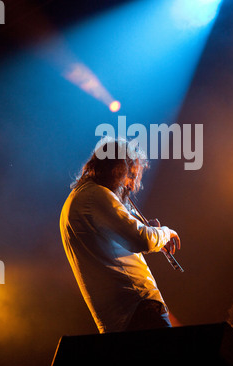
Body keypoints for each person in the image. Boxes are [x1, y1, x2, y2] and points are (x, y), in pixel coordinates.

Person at [59, 138, 181, 334]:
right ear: (117, 168)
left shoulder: (77, 199)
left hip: (118, 317)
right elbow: (142, 239)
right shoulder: (97, 196)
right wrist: (166, 233)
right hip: (138, 308)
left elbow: (114, 244)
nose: (131, 186)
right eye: (130, 175)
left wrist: (139, 228)